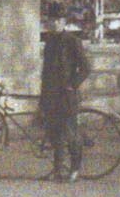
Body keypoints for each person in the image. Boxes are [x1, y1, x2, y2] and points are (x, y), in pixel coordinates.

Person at [38, 26, 92, 180]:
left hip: (67, 95)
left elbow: (86, 68)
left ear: (63, 22)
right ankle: (57, 169)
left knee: (69, 133)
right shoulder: (49, 42)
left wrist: (72, 84)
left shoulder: (72, 41)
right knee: (55, 135)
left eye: (56, 20)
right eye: (50, 20)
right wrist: (43, 97)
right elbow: (46, 72)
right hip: (51, 94)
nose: (53, 23)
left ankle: (75, 168)